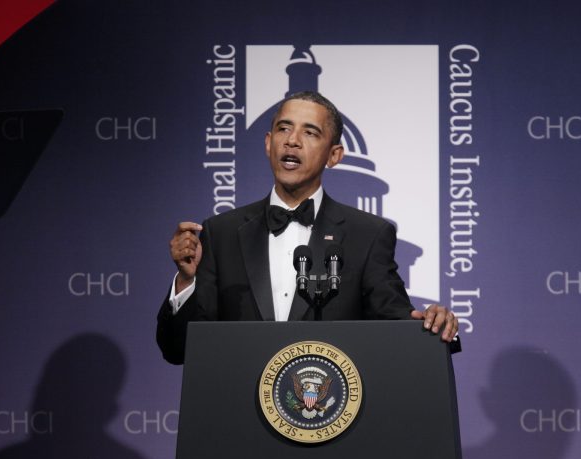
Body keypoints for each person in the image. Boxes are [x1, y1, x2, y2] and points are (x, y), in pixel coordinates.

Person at [156, 91, 459, 364]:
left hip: (331, 414)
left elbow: (395, 326)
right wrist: (186, 283)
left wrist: (434, 325)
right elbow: (178, 349)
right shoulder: (221, 233)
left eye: (310, 132)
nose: (292, 140)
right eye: (283, 128)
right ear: (267, 142)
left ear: (334, 155)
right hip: (240, 413)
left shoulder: (367, 235)